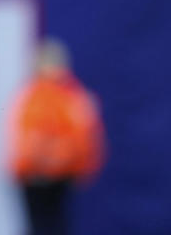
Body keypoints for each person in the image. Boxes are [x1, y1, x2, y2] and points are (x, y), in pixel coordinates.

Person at [6, 38, 105, 235]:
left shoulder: (69, 97)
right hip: (38, 177)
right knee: (43, 226)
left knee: (52, 226)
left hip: (57, 177)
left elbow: (84, 138)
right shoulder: (35, 97)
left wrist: (69, 164)